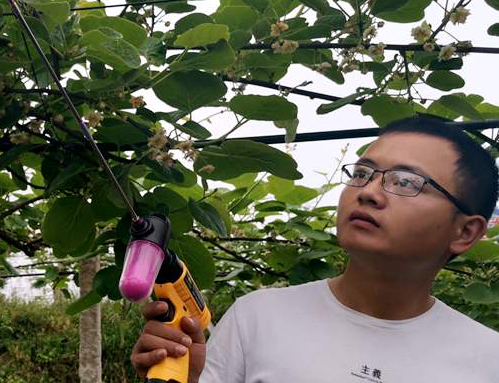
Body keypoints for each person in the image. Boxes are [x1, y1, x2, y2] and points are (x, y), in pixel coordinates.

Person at [130, 116, 499, 382]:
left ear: (465, 232)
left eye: (405, 181)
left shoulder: (489, 359)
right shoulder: (258, 317)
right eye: (362, 173)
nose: (368, 191)